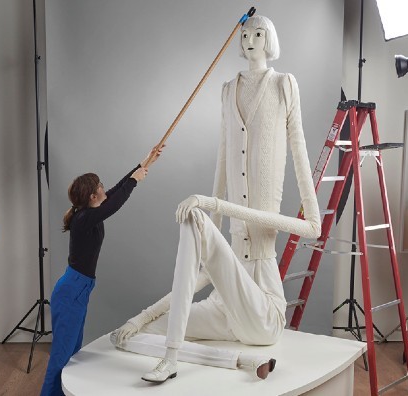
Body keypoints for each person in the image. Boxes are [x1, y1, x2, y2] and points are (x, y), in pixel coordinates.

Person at [109, 15, 321, 383]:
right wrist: (140, 317)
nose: (250, 39)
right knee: (140, 334)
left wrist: (215, 205)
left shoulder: (284, 85)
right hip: (223, 308)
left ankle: (172, 359)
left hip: (262, 313)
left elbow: (313, 228)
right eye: (245, 34)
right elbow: (201, 272)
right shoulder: (227, 90)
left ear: (269, 39)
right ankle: (226, 360)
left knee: (198, 214)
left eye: (258, 33)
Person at [40, 144, 164, 396]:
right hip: (71, 291)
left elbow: (118, 189)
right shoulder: (85, 218)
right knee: (62, 356)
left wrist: (144, 163)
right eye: (100, 187)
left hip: (78, 289)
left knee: (73, 352)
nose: (103, 189)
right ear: (92, 196)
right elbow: (116, 202)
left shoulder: (89, 212)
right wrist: (135, 180)